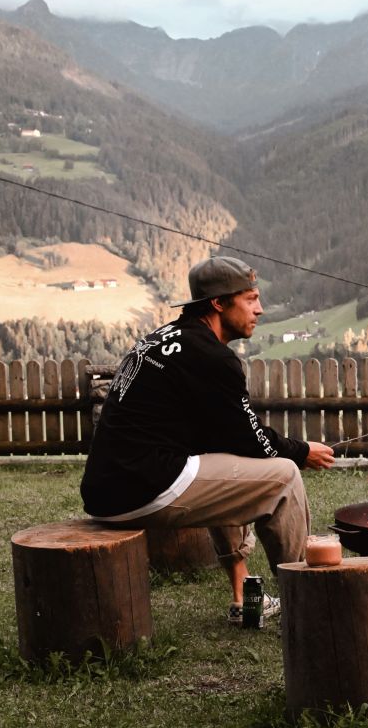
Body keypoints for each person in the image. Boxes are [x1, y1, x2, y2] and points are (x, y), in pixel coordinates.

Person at [80, 256, 335, 625]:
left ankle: (243, 594)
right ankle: (305, 600)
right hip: (143, 488)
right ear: (218, 302)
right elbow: (249, 439)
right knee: (283, 476)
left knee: (222, 459)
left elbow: (226, 438)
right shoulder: (211, 357)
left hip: (107, 488)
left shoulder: (162, 338)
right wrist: (300, 451)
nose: (260, 310)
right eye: (250, 299)